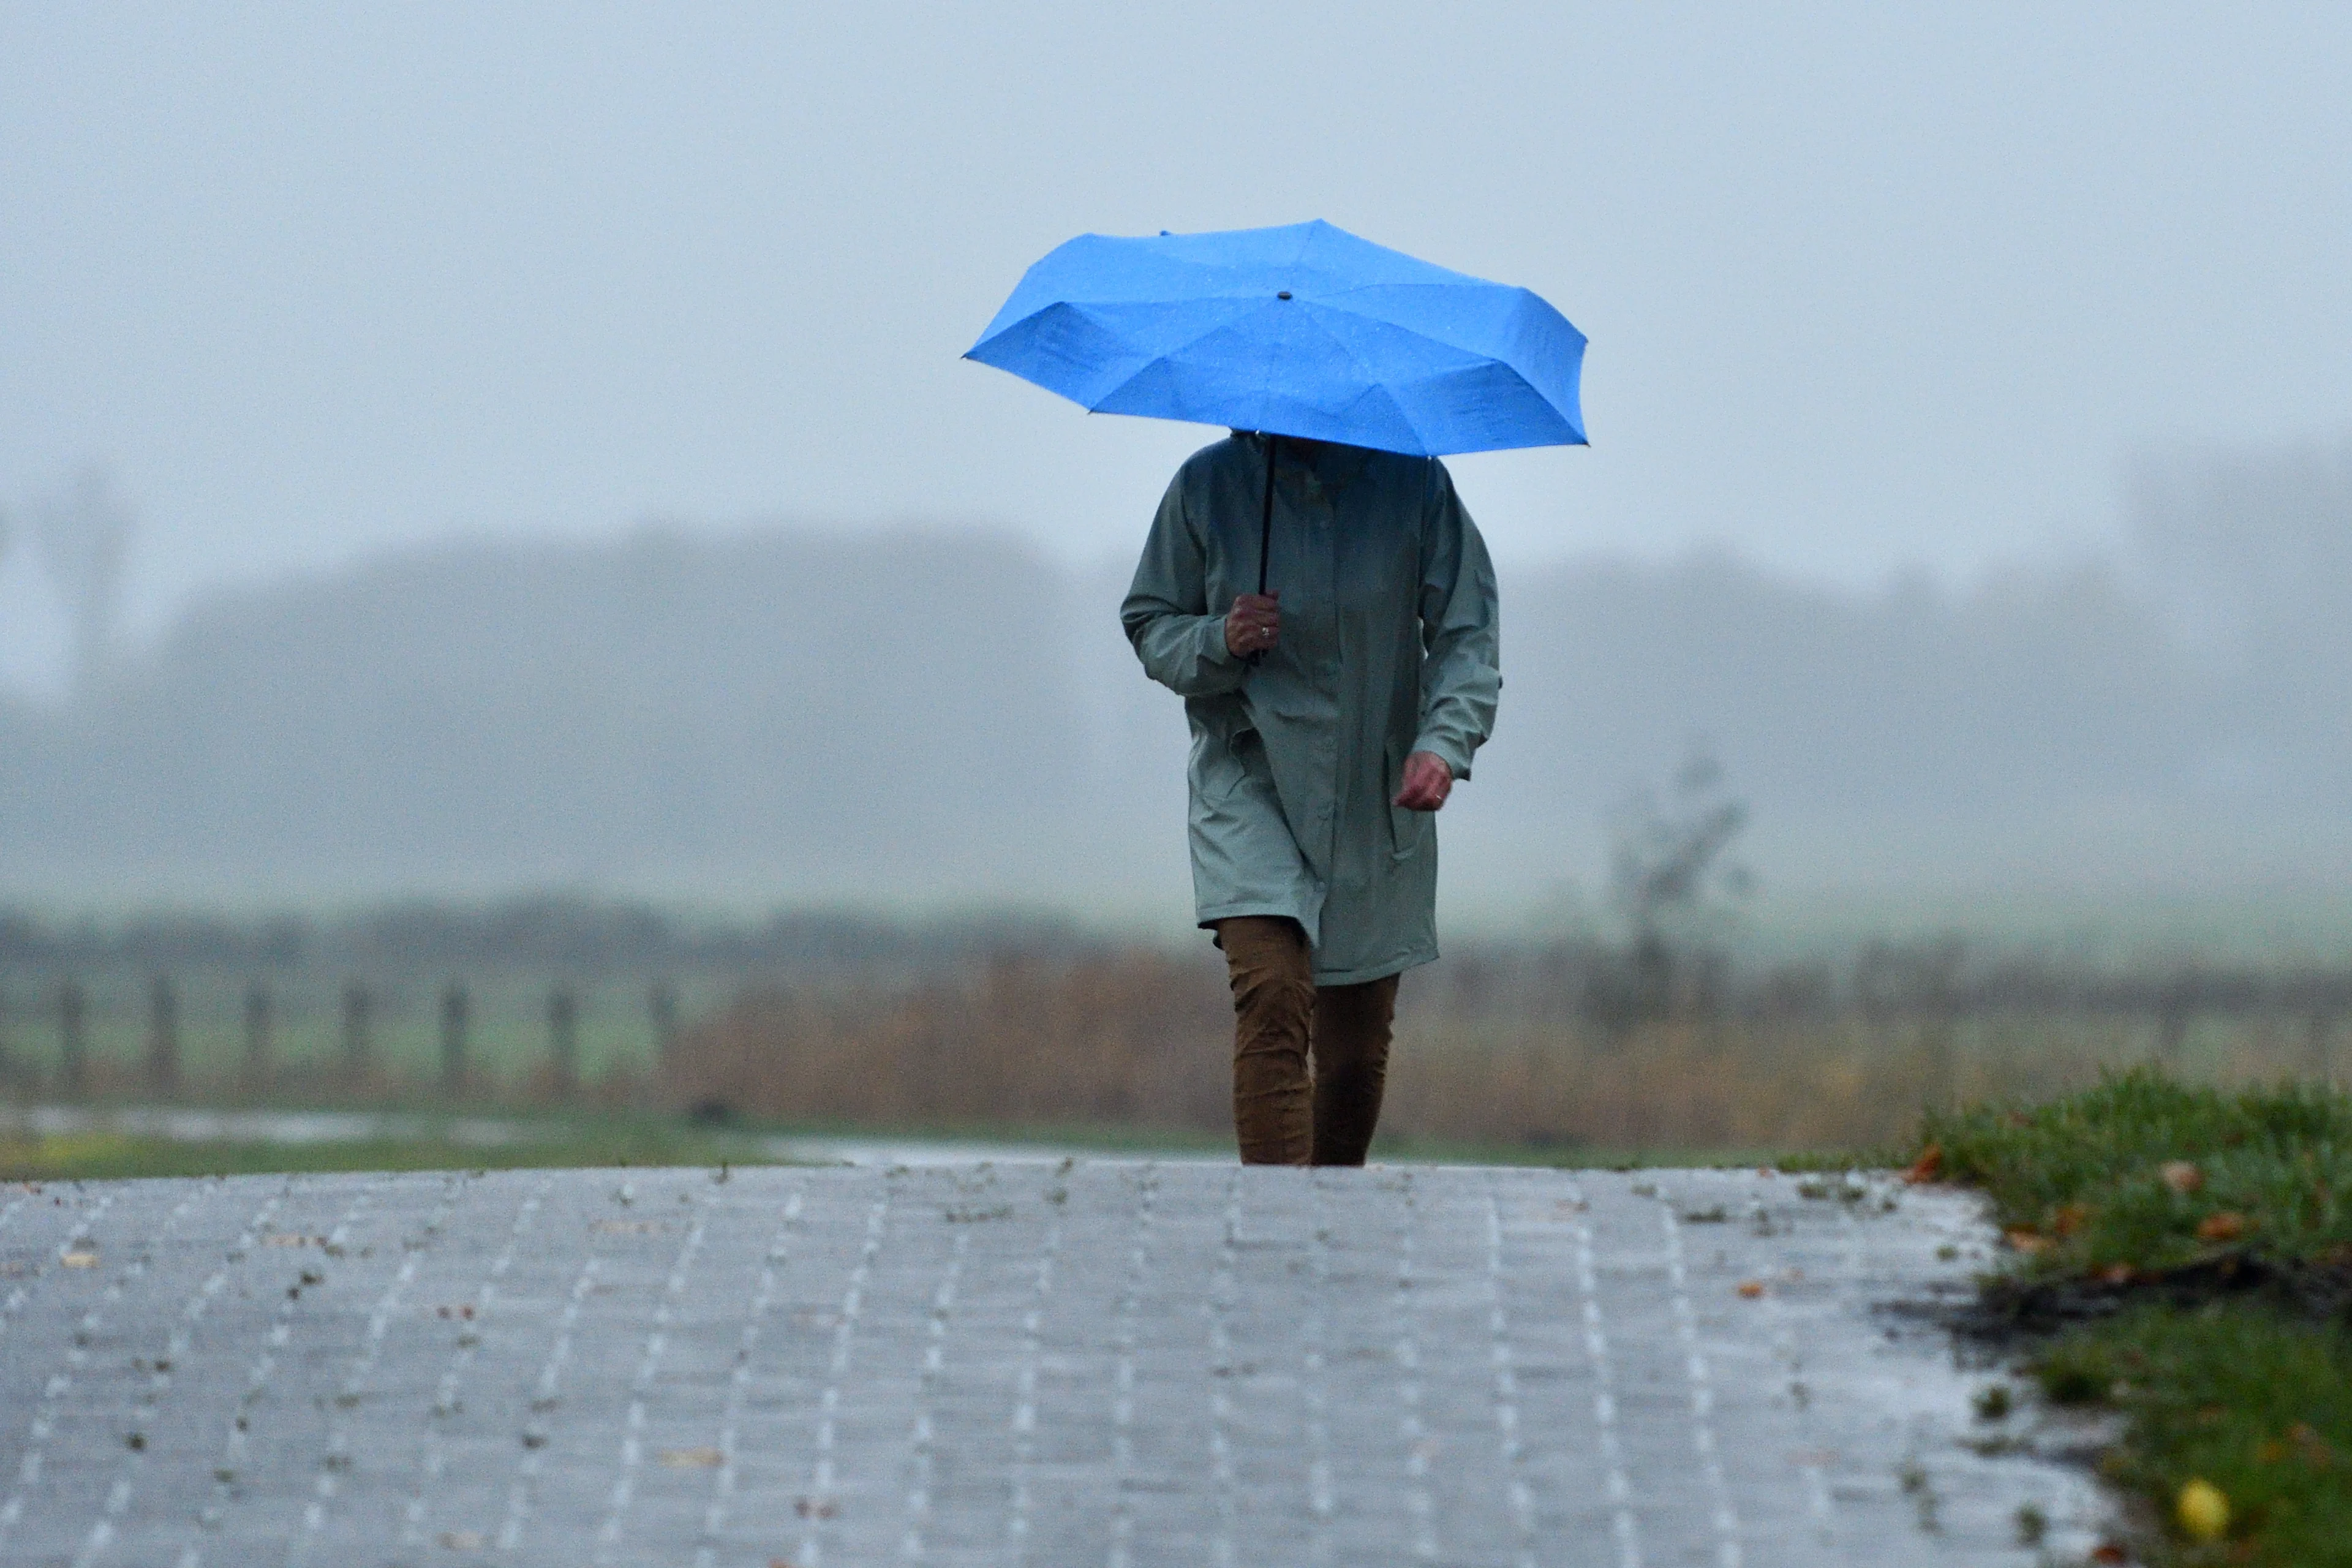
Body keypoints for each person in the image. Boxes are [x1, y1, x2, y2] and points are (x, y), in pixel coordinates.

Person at [1121, 431, 1500, 1166]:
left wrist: (1443, 744)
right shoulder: (1207, 486)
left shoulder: (1416, 486)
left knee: (1355, 1053)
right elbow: (1149, 622)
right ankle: (1279, 1230)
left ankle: (1335, 1220)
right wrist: (1219, 637)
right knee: (1272, 994)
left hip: (1376, 797)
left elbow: (1468, 637)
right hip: (1247, 781)